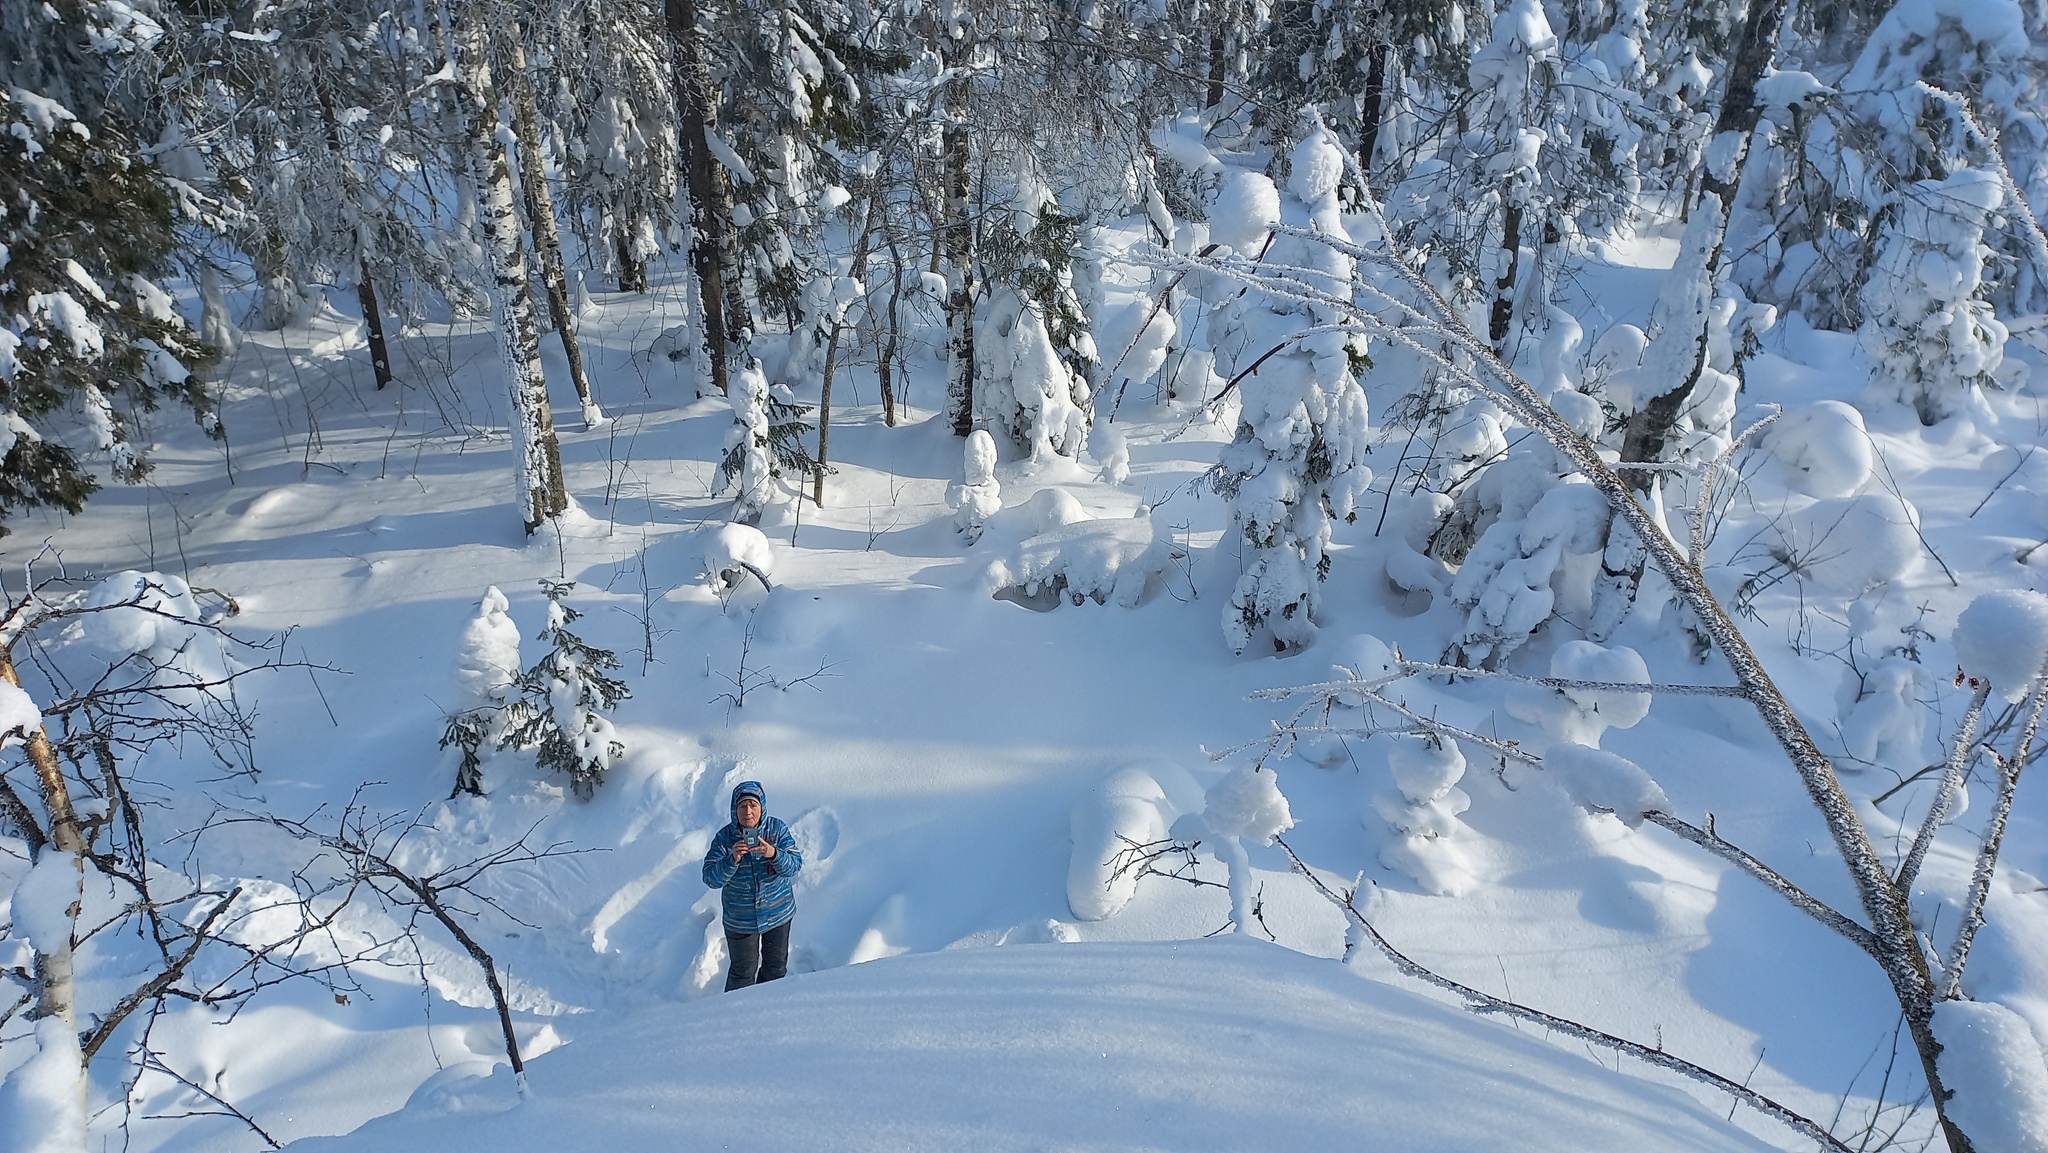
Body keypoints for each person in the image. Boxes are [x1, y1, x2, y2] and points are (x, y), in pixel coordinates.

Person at [701, 780, 802, 990]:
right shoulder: (724, 838)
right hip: (740, 919)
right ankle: (737, 1018)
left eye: (753, 805)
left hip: (778, 913)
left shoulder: (776, 829)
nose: (748, 812)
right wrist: (732, 859)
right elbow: (710, 878)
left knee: (775, 968)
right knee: (742, 973)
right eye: (742, 806)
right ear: (734, 810)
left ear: (762, 808)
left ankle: (767, 1012)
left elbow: (794, 866)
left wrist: (773, 853)